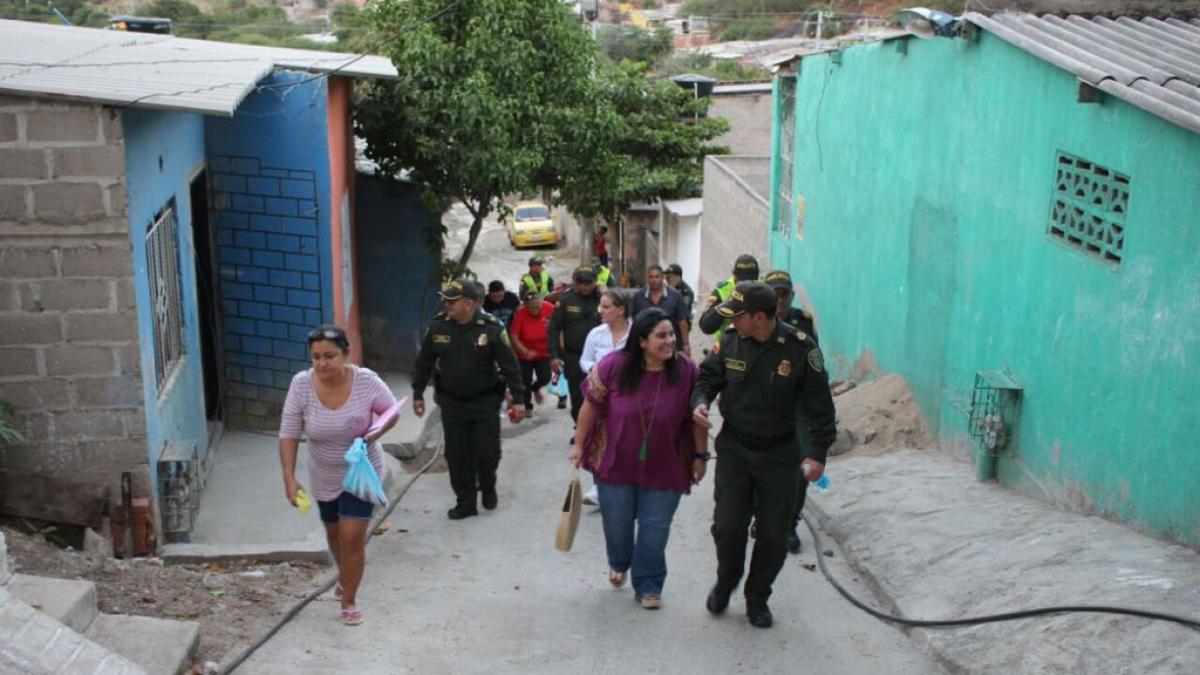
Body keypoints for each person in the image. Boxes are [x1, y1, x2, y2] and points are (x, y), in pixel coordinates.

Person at [691, 282, 836, 628]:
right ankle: (726, 582)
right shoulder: (730, 341)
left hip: (780, 454)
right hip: (735, 449)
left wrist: (817, 453)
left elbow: (820, 407)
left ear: (759, 317)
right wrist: (700, 402)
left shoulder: (801, 349)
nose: (732, 322)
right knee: (728, 527)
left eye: (737, 316)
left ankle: (757, 597)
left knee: (774, 535)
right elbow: (708, 378)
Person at [570, 307, 708, 610]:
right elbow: (590, 405)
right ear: (642, 340)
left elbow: (695, 418)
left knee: (655, 527)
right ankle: (619, 561)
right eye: (661, 335)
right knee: (617, 523)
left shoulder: (686, 371)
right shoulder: (613, 366)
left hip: (667, 464)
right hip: (616, 461)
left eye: (671, 334)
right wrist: (579, 444)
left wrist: (701, 456)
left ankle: (649, 584)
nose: (669, 341)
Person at [278, 324, 399, 626]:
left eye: (329, 356)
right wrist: (289, 478)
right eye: (316, 357)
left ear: (346, 354)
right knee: (333, 533)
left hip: (361, 471)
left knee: (351, 537)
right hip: (324, 472)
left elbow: (391, 412)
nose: (321, 364)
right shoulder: (301, 385)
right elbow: (289, 432)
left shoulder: (367, 382)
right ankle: (345, 576)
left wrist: (372, 435)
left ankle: (349, 600)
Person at [412, 279, 525, 520]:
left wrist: (518, 399)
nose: (446, 305)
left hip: (484, 401)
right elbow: (423, 363)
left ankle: (487, 483)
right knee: (456, 455)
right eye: (446, 300)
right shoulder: (438, 327)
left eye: (452, 301)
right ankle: (465, 501)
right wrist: (418, 393)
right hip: (452, 402)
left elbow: (510, 366)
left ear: (469, 303)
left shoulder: (491, 328)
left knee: (487, 453)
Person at [764, 269, 819, 554]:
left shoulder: (803, 322)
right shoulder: (755, 324)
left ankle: (789, 525)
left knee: (801, 468)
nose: (780, 300)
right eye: (774, 294)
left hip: (797, 407)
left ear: (791, 296)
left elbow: (815, 364)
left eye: (784, 294)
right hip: (763, 405)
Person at [578, 288, 632, 505]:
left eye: (606, 307)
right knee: (599, 439)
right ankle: (599, 486)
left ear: (621, 309)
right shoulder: (596, 334)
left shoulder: (637, 333)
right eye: (600, 305)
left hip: (628, 396)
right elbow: (584, 360)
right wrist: (596, 369)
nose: (600, 310)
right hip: (601, 396)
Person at [548, 265, 603, 423]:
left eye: (588, 282)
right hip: (574, 357)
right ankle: (580, 429)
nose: (584, 286)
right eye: (580, 282)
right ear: (574, 282)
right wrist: (554, 356)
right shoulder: (566, 300)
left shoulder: (603, 298)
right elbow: (553, 329)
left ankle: (598, 431)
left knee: (601, 395)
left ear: (595, 282)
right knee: (578, 396)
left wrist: (605, 291)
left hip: (600, 357)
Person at [509, 289, 556, 415]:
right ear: (525, 306)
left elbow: (559, 323)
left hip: (543, 353)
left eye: (538, 306)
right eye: (532, 308)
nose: (536, 310)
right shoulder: (521, 315)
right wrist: (525, 351)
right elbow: (514, 336)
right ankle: (527, 405)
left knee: (545, 377)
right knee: (525, 381)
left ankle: (536, 388)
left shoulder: (549, 308)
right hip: (524, 355)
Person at [698, 254, 760, 349]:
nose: (746, 286)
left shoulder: (764, 290)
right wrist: (728, 304)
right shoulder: (723, 290)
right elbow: (706, 326)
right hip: (727, 346)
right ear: (734, 275)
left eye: (751, 281)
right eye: (742, 282)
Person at [631, 265, 690, 357]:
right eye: (651, 277)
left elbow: (682, 321)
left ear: (662, 278)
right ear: (647, 278)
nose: (654, 280)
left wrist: (686, 344)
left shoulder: (675, 296)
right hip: (646, 347)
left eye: (657, 277)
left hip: (670, 345)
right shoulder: (638, 297)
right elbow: (634, 322)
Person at [664, 263, 695, 331]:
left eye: (669, 277)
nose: (667, 280)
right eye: (666, 278)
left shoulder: (686, 292)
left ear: (678, 277)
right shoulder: (667, 290)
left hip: (680, 328)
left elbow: (681, 310)